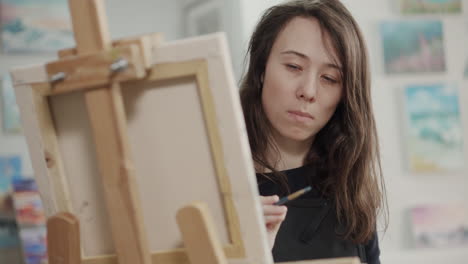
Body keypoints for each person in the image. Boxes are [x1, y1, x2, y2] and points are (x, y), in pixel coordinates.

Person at [239, 1, 388, 263]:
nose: (308, 91)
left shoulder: (350, 192)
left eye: (329, 79)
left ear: (346, 95)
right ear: (261, 68)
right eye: (294, 67)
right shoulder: (212, 184)